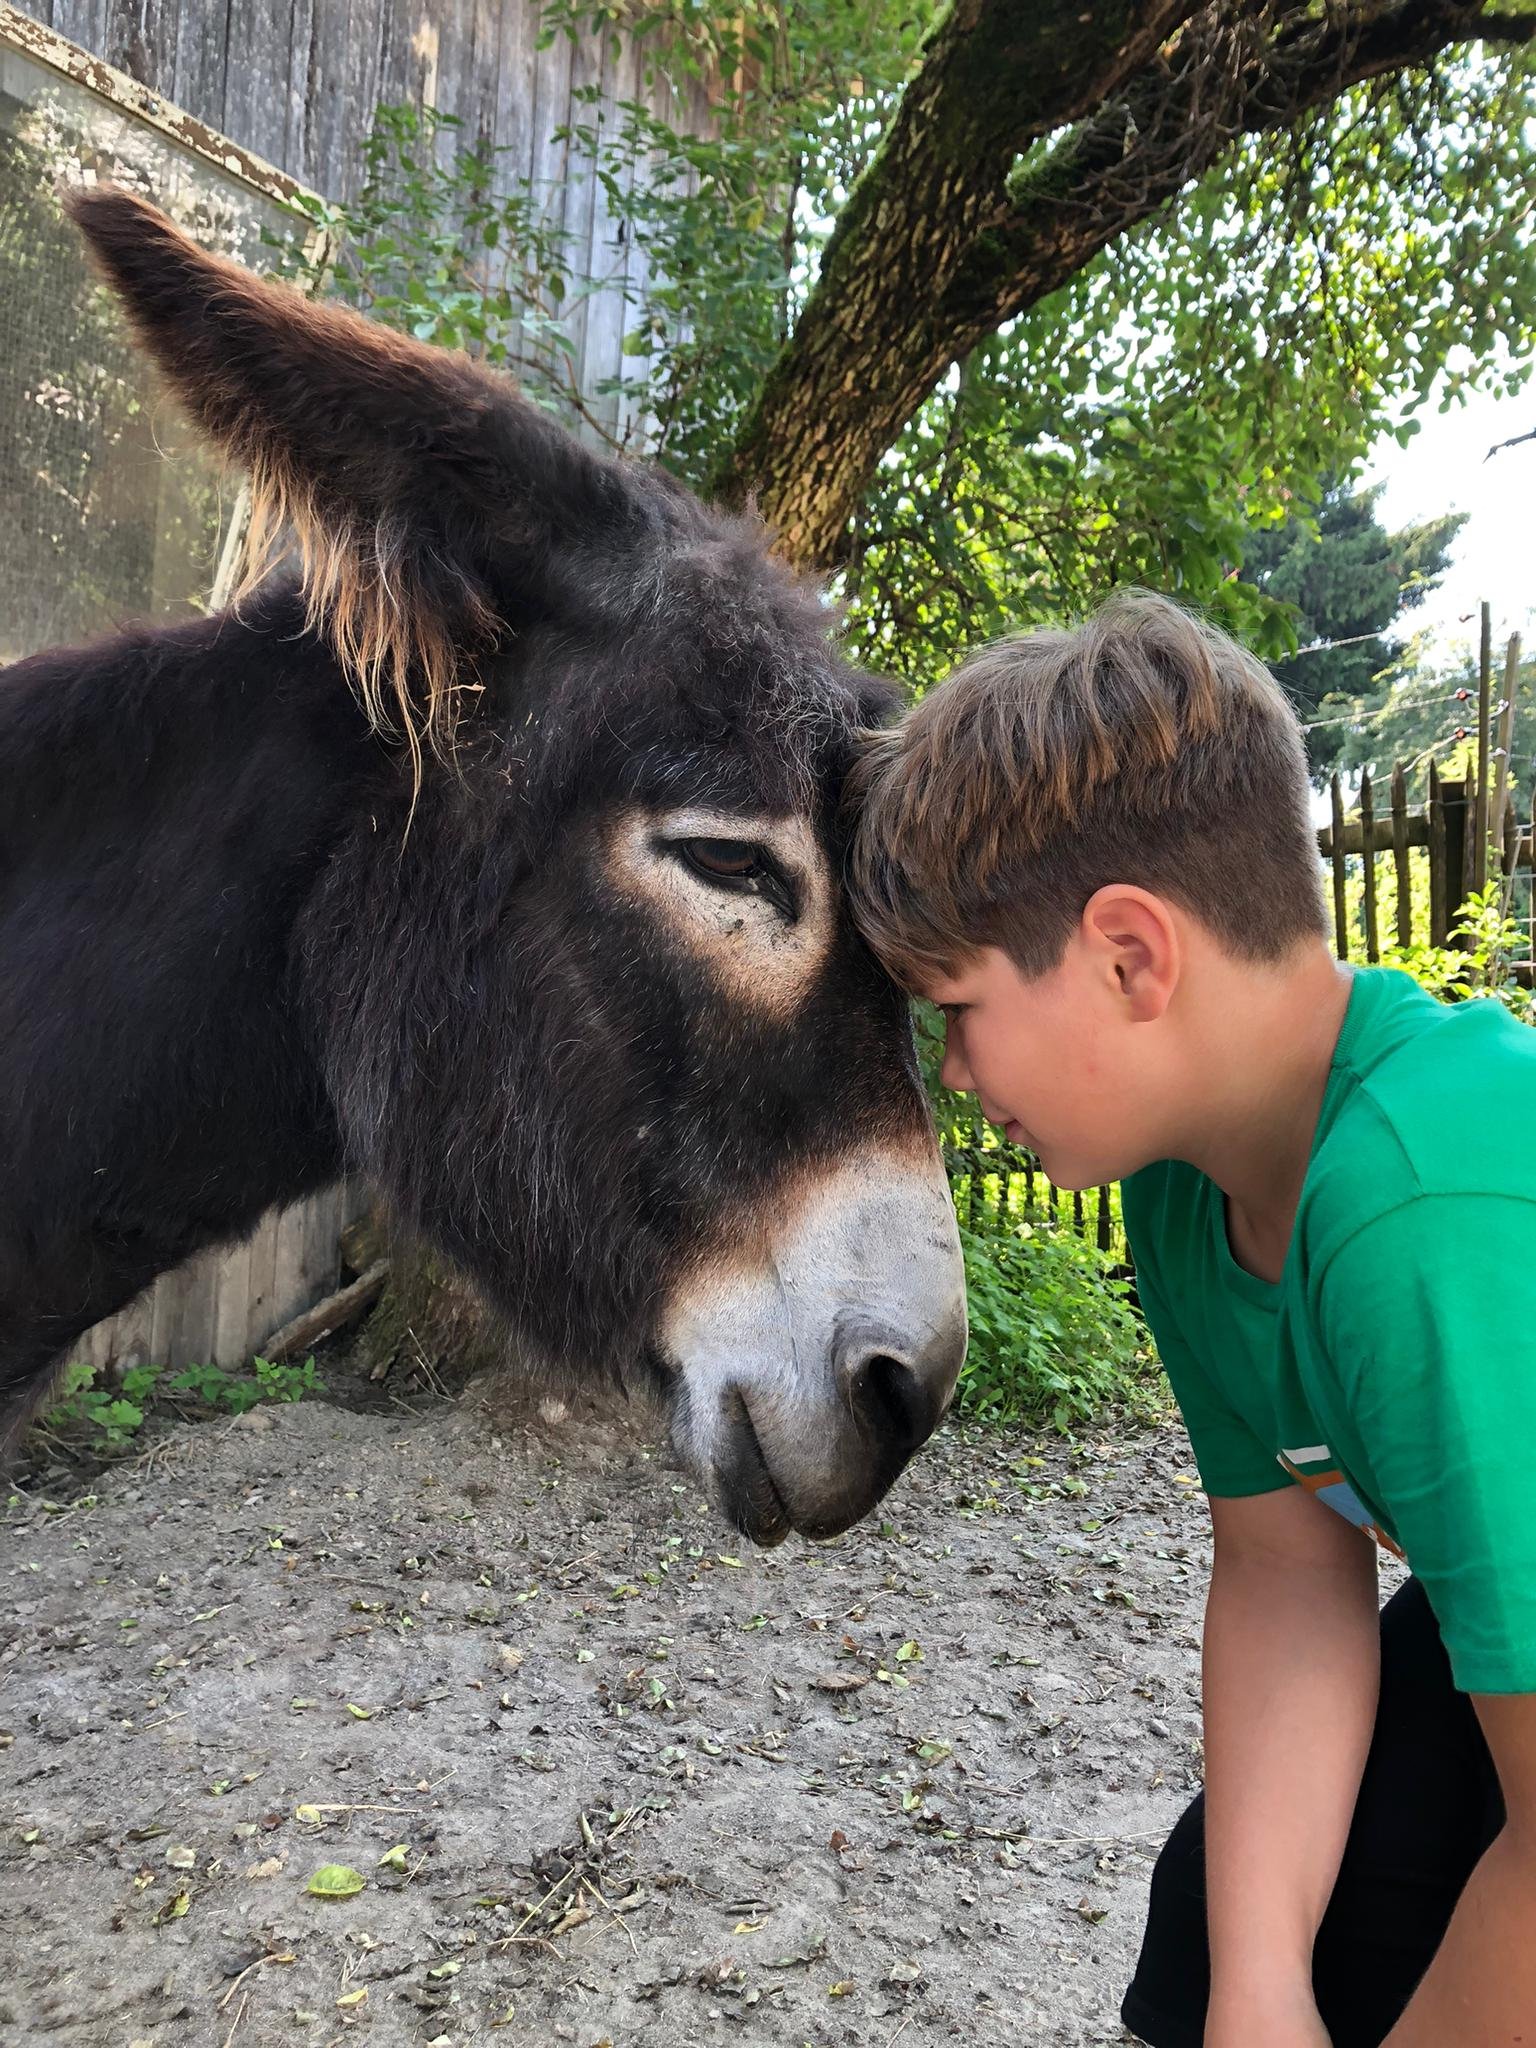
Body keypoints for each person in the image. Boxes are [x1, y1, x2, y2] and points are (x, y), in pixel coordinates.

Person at [846, 591, 1536, 2048]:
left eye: (957, 1009)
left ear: (1130, 957)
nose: (956, 1075)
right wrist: (1259, 1991)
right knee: (1218, 1921)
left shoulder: (1420, 1202)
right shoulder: (1187, 1192)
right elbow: (1291, 1572)